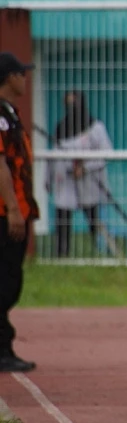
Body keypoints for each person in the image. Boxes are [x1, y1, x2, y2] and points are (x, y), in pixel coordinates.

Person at [0, 53, 37, 374]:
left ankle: (4, 345)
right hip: (4, 212)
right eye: (21, 74)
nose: (25, 79)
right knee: (5, 280)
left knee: (11, 278)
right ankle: (2, 348)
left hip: (16, 209)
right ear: (10, 78)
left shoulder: (10, 114)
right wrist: (12, 208)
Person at [48, 91, 112, 258]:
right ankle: (62, 255)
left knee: (93, 218)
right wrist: (47, 179)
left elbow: (106, 153)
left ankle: (100, 254)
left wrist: (85, 167)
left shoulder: (95, 127)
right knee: (63, 218)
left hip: (89, 180)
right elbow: (52, 156)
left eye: (74, 102)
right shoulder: (61, 127)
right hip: (65, 180)